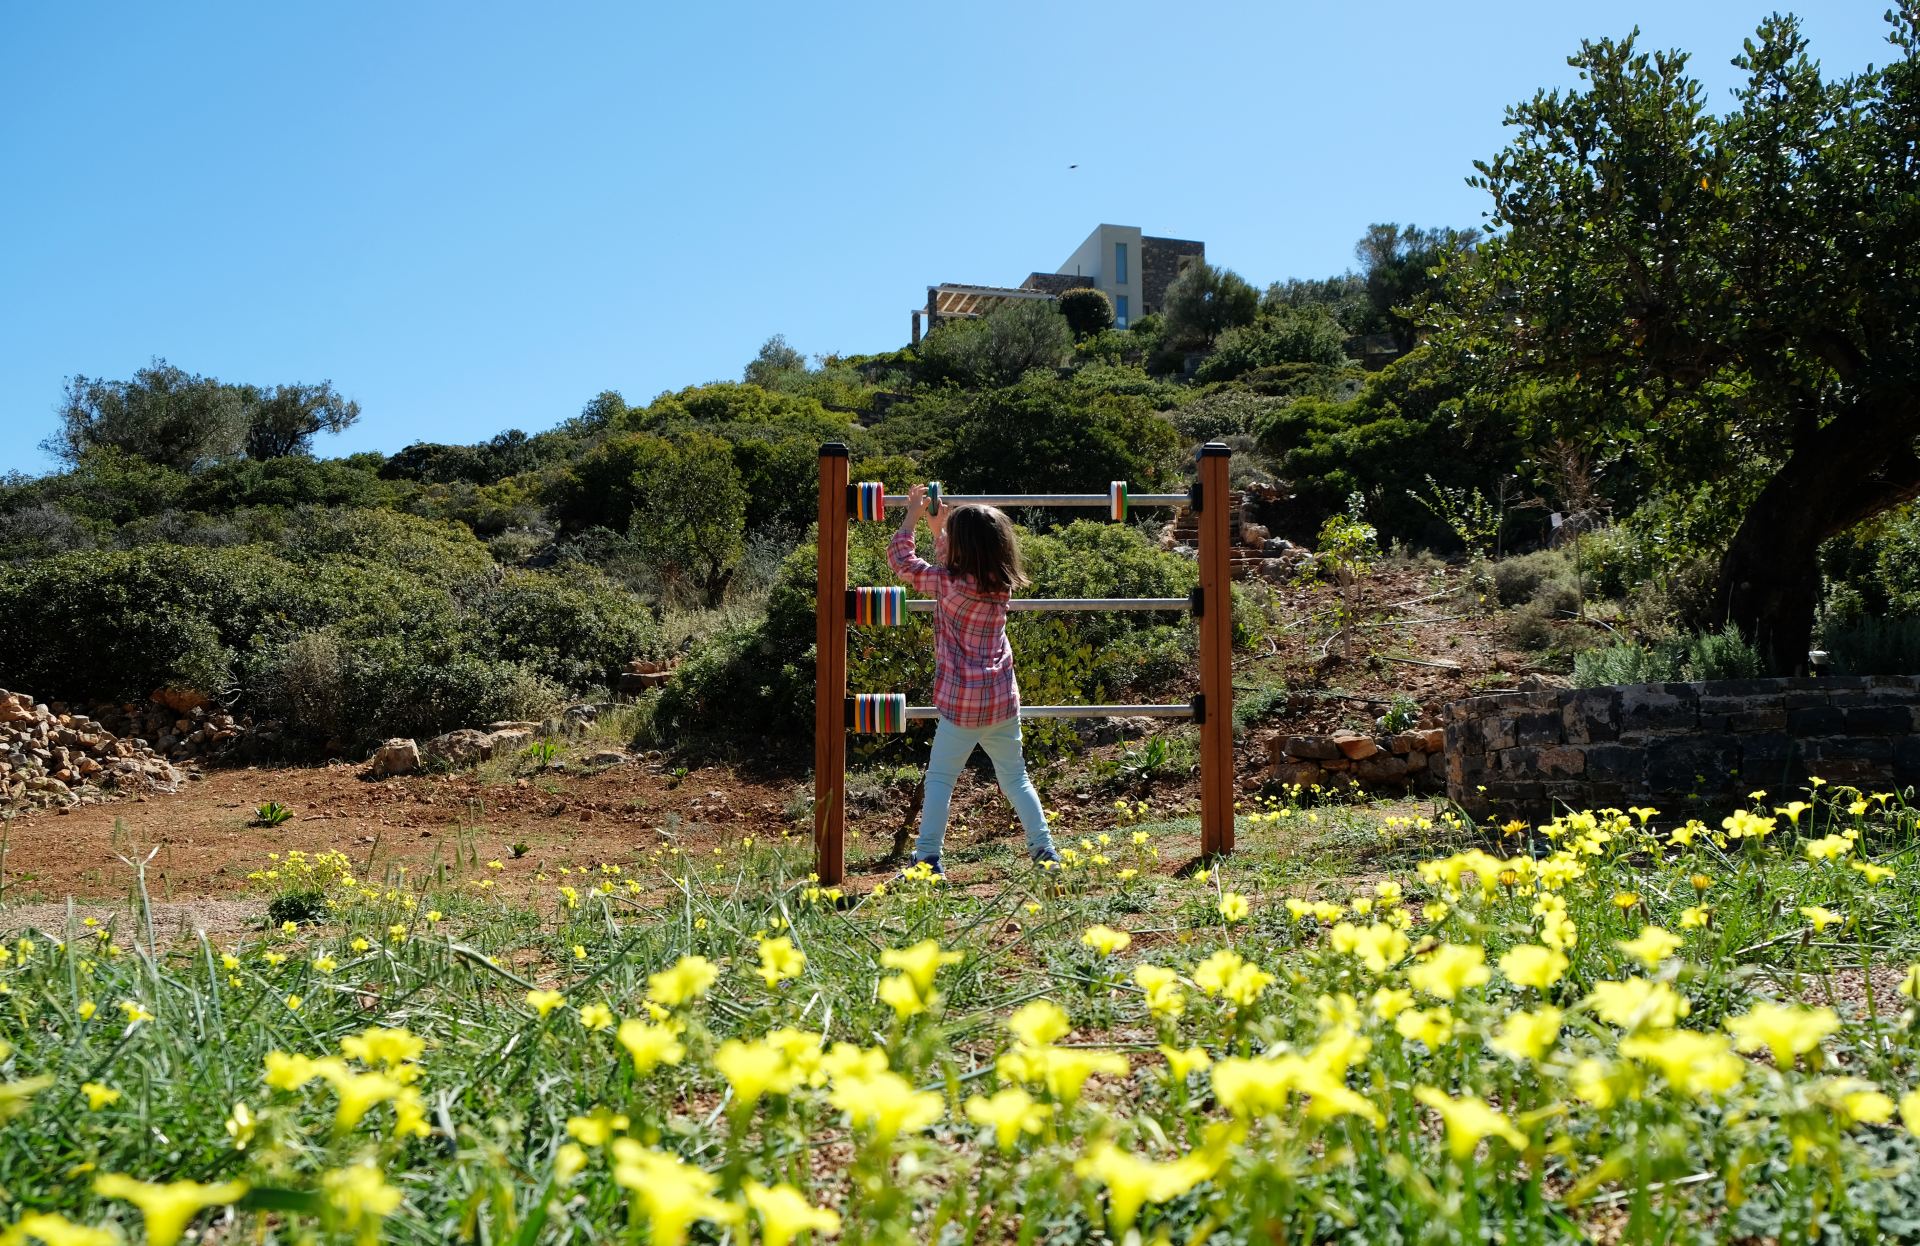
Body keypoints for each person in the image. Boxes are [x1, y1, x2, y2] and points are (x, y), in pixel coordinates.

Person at [888, 484, 1059, 877]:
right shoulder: (1001, 583)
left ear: (961, 548)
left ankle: (927, 858)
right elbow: (959, 563)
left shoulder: (946, 583)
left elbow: (902, 561)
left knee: (941, 780)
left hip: (961, 706)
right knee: (1016, 779)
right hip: (1001, 701)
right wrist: (940, 529)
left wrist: (913, 514)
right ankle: (1045, 852)